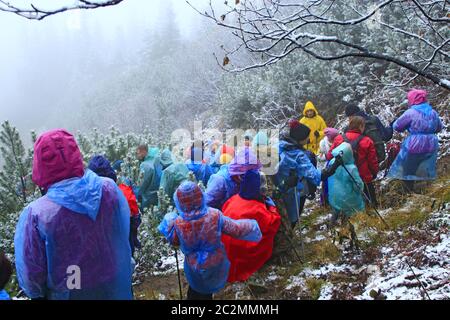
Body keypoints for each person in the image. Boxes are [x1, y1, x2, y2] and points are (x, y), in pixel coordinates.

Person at [14, 129, 132, 300]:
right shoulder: (108, 189)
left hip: (71, 291)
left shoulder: (39, 214)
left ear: (40, 163)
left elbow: (32, 276)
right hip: (112, 285)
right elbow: (121, 236)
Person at [158, 181, 262, 300]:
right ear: (201, 196)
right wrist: (254, 227)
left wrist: (169, 224)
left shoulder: (178, 223)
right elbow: (236, 229)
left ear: (180, 202)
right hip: (215, 262)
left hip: (194, 266)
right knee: (206, 292)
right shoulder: (214, 215)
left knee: (196, 292)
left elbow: (174, 241)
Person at [274, 120, 343, 228]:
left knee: (279, 222)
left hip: (275, 192)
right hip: (293, 193)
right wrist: (334, 166)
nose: (308, 139)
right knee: (292, 220)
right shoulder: (298, 155)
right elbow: (316, 176)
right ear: (300, 138)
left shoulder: (277, 146)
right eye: (306, 136)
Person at [222, 170, 281, 283]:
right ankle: (251, 268)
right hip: (240, 252)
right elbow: (273, 224)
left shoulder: (233, 199)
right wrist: (272, 208)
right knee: (266, 236)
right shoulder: (257, 209)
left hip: (224, 250)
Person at [387, 89, 443, 193]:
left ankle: (409, 193)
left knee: (407, 169)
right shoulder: (433, 112)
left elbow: (397, 126)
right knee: (426, 168)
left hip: (415, 143)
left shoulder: (411, 112)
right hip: (431, 143)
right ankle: (428, 192)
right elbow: (439, 127)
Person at [90, 155, 141, 257]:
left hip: (99, 251)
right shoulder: (123, 192)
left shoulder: (87, 197)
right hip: (124, 245)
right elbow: (136, 218)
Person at [327, 116, 380, 208]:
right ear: (361, 126)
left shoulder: (339, 139)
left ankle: (345, 216)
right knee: (370, 200)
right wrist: (374, 173)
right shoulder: (367, 141)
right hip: (363, 176)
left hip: (344, 176)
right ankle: (371, 213)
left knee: (347, 201)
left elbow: (329, 156)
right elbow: (372, 161)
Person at [328, 143, 365, 250]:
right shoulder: (351, 168)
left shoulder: (332, 162)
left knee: (336, 211)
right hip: (349, 198)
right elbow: (358, 184)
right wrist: (360, 192)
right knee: (352, 212)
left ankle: (332, 228)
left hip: (334, 196)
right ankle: (351, 231)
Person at [136, 145, 162, 210]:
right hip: (158, 195)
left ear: (144, 152)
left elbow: (143, 183)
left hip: (148, 198)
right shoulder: (157, 160)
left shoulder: (145, 165)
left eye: (138, 153)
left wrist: (136, 192)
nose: (137, 156)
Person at [318, 128, 339, 206]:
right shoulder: (323, 143)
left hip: (336, 164)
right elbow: (319, 156)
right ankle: (325, 202)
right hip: (326, 165)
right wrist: (325, 157)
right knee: (326, 184)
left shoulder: (338, 141)